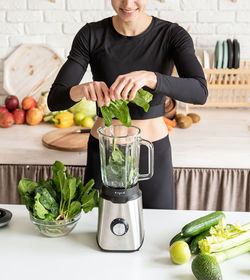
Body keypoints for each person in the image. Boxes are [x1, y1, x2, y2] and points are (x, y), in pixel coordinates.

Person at [48, 0, 208, 209]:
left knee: (156, 229)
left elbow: (200, 91)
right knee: (99, 229)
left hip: (152, 153)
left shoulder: (171, 35)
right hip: (104, 152)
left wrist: (152, 78)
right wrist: (81, 90)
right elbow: (55, 100)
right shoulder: (91, 34)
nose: (128, 3)